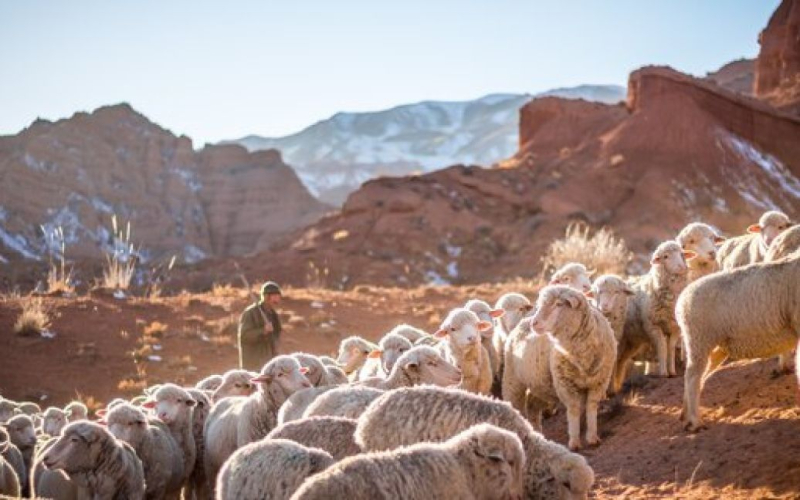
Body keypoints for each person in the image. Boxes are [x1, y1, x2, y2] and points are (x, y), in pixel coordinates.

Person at [238, 281, 283, 371]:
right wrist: (263, 331)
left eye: (278, 296)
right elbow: (244, 336)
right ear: (266, 296)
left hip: (269, 364)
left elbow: (276, 337)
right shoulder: (250, 313)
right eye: (275, 296)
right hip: (254, 365)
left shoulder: (273, 315)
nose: (278, 299)